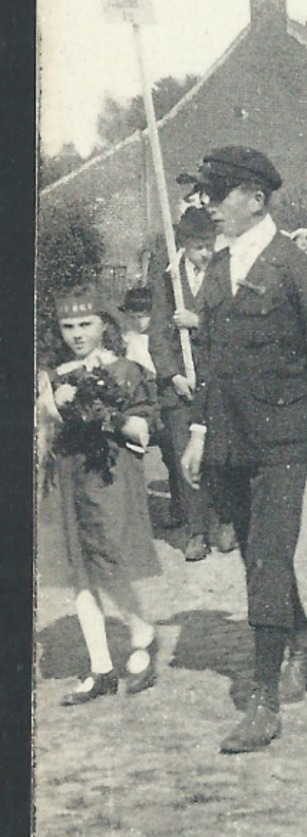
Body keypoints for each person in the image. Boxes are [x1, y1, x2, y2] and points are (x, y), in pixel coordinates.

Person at [178, 147, 307, 754]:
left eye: (218, 192)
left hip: (281, 440)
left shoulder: (294, 266)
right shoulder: (219, 268)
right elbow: (209, 363)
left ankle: (263, 701)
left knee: (268, 557)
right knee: (255, 550)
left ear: (255, 198)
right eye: (205, 192)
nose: (208, 204)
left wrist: (280, 392)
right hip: (229, 438)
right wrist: (200, 432)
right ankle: (304, 644)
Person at [40, 285, 162, 704]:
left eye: (85, 324)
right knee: (78, 568)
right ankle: (101, 667)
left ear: (103, 324)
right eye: (68, 325)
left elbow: (143, 429)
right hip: (68, 475)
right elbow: (47, 429)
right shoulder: (54, 375)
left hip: (108, 476)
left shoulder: (125, 369)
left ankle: (142, 631)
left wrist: (101, 413)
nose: (76, 333)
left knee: (108, 561)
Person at [147, 206, 235, 562]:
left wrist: (198, 321)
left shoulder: (224, 274)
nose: (206, 253)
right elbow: (156, 335)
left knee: (221, 454)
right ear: (183, 245)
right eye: (199, 246)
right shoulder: (168, 280)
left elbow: (234, 326)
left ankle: (225, 521)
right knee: (187, 457)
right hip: (181, 386)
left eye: (210, 245)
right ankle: (197, 530)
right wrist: (173, 375)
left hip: (217, 381)